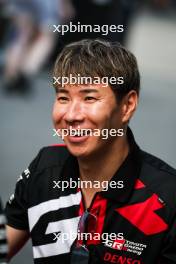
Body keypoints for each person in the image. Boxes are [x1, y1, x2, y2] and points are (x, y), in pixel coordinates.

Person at [5, 39, 176, 264]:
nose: (71, 115)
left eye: (89, 98)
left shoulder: (167, 198)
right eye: (63, 98)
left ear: (127, 106)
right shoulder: (44, 168)